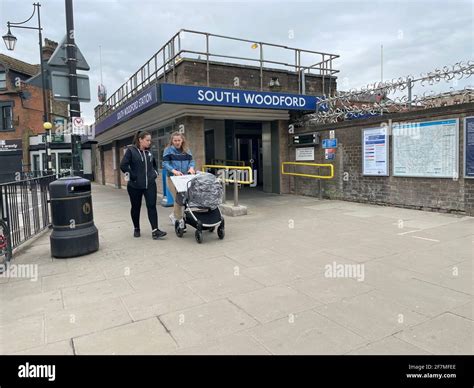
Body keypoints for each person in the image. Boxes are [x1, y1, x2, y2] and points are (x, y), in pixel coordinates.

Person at [120, 131, 167, 239]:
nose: (149, 142)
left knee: (152, 206)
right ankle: (136, 228)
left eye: (150, 140)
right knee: (136, 207)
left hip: (150, 184)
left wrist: (155, 173)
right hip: (134, 186)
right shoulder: (131, 151)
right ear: (140, 140)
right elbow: (123, 165)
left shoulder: (149, 152)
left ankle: (155, 231)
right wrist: (133, 176)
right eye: (147, 140)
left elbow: (154, 165)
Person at [162, 132, 196, 229]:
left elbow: (191, 161)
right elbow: (165, 164)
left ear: (182, 140)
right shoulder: (168, 150)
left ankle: (173, 215)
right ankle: (179, 220)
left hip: (184, 177)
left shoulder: (186, 150)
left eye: (179, 140)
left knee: (184, 198)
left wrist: (191, 168)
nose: (177, 142)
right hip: (172, 178)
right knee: (178, 198)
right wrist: (174, 171)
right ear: (172, 141)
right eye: (175, 140)